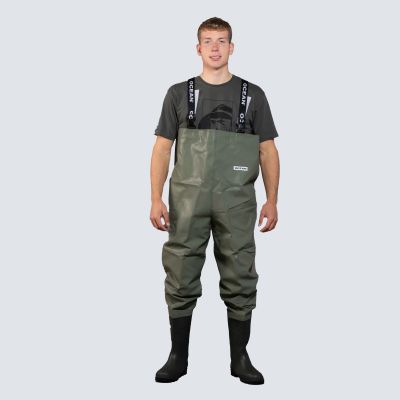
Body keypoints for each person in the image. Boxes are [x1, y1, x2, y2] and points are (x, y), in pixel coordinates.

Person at [150, 17, 280, 385]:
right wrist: (155, 198)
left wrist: (272, 200)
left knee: (241, 274)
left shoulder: (254, 95)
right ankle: (178, 356)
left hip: (237, 202)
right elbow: (162, 149)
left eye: (222, 41)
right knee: (180, 272)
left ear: (231, 47)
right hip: (186, 202)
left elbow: (268, 151)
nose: (215, 48)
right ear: (198, 48)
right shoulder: (178, 94)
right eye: (208, 41)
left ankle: (240, 358)